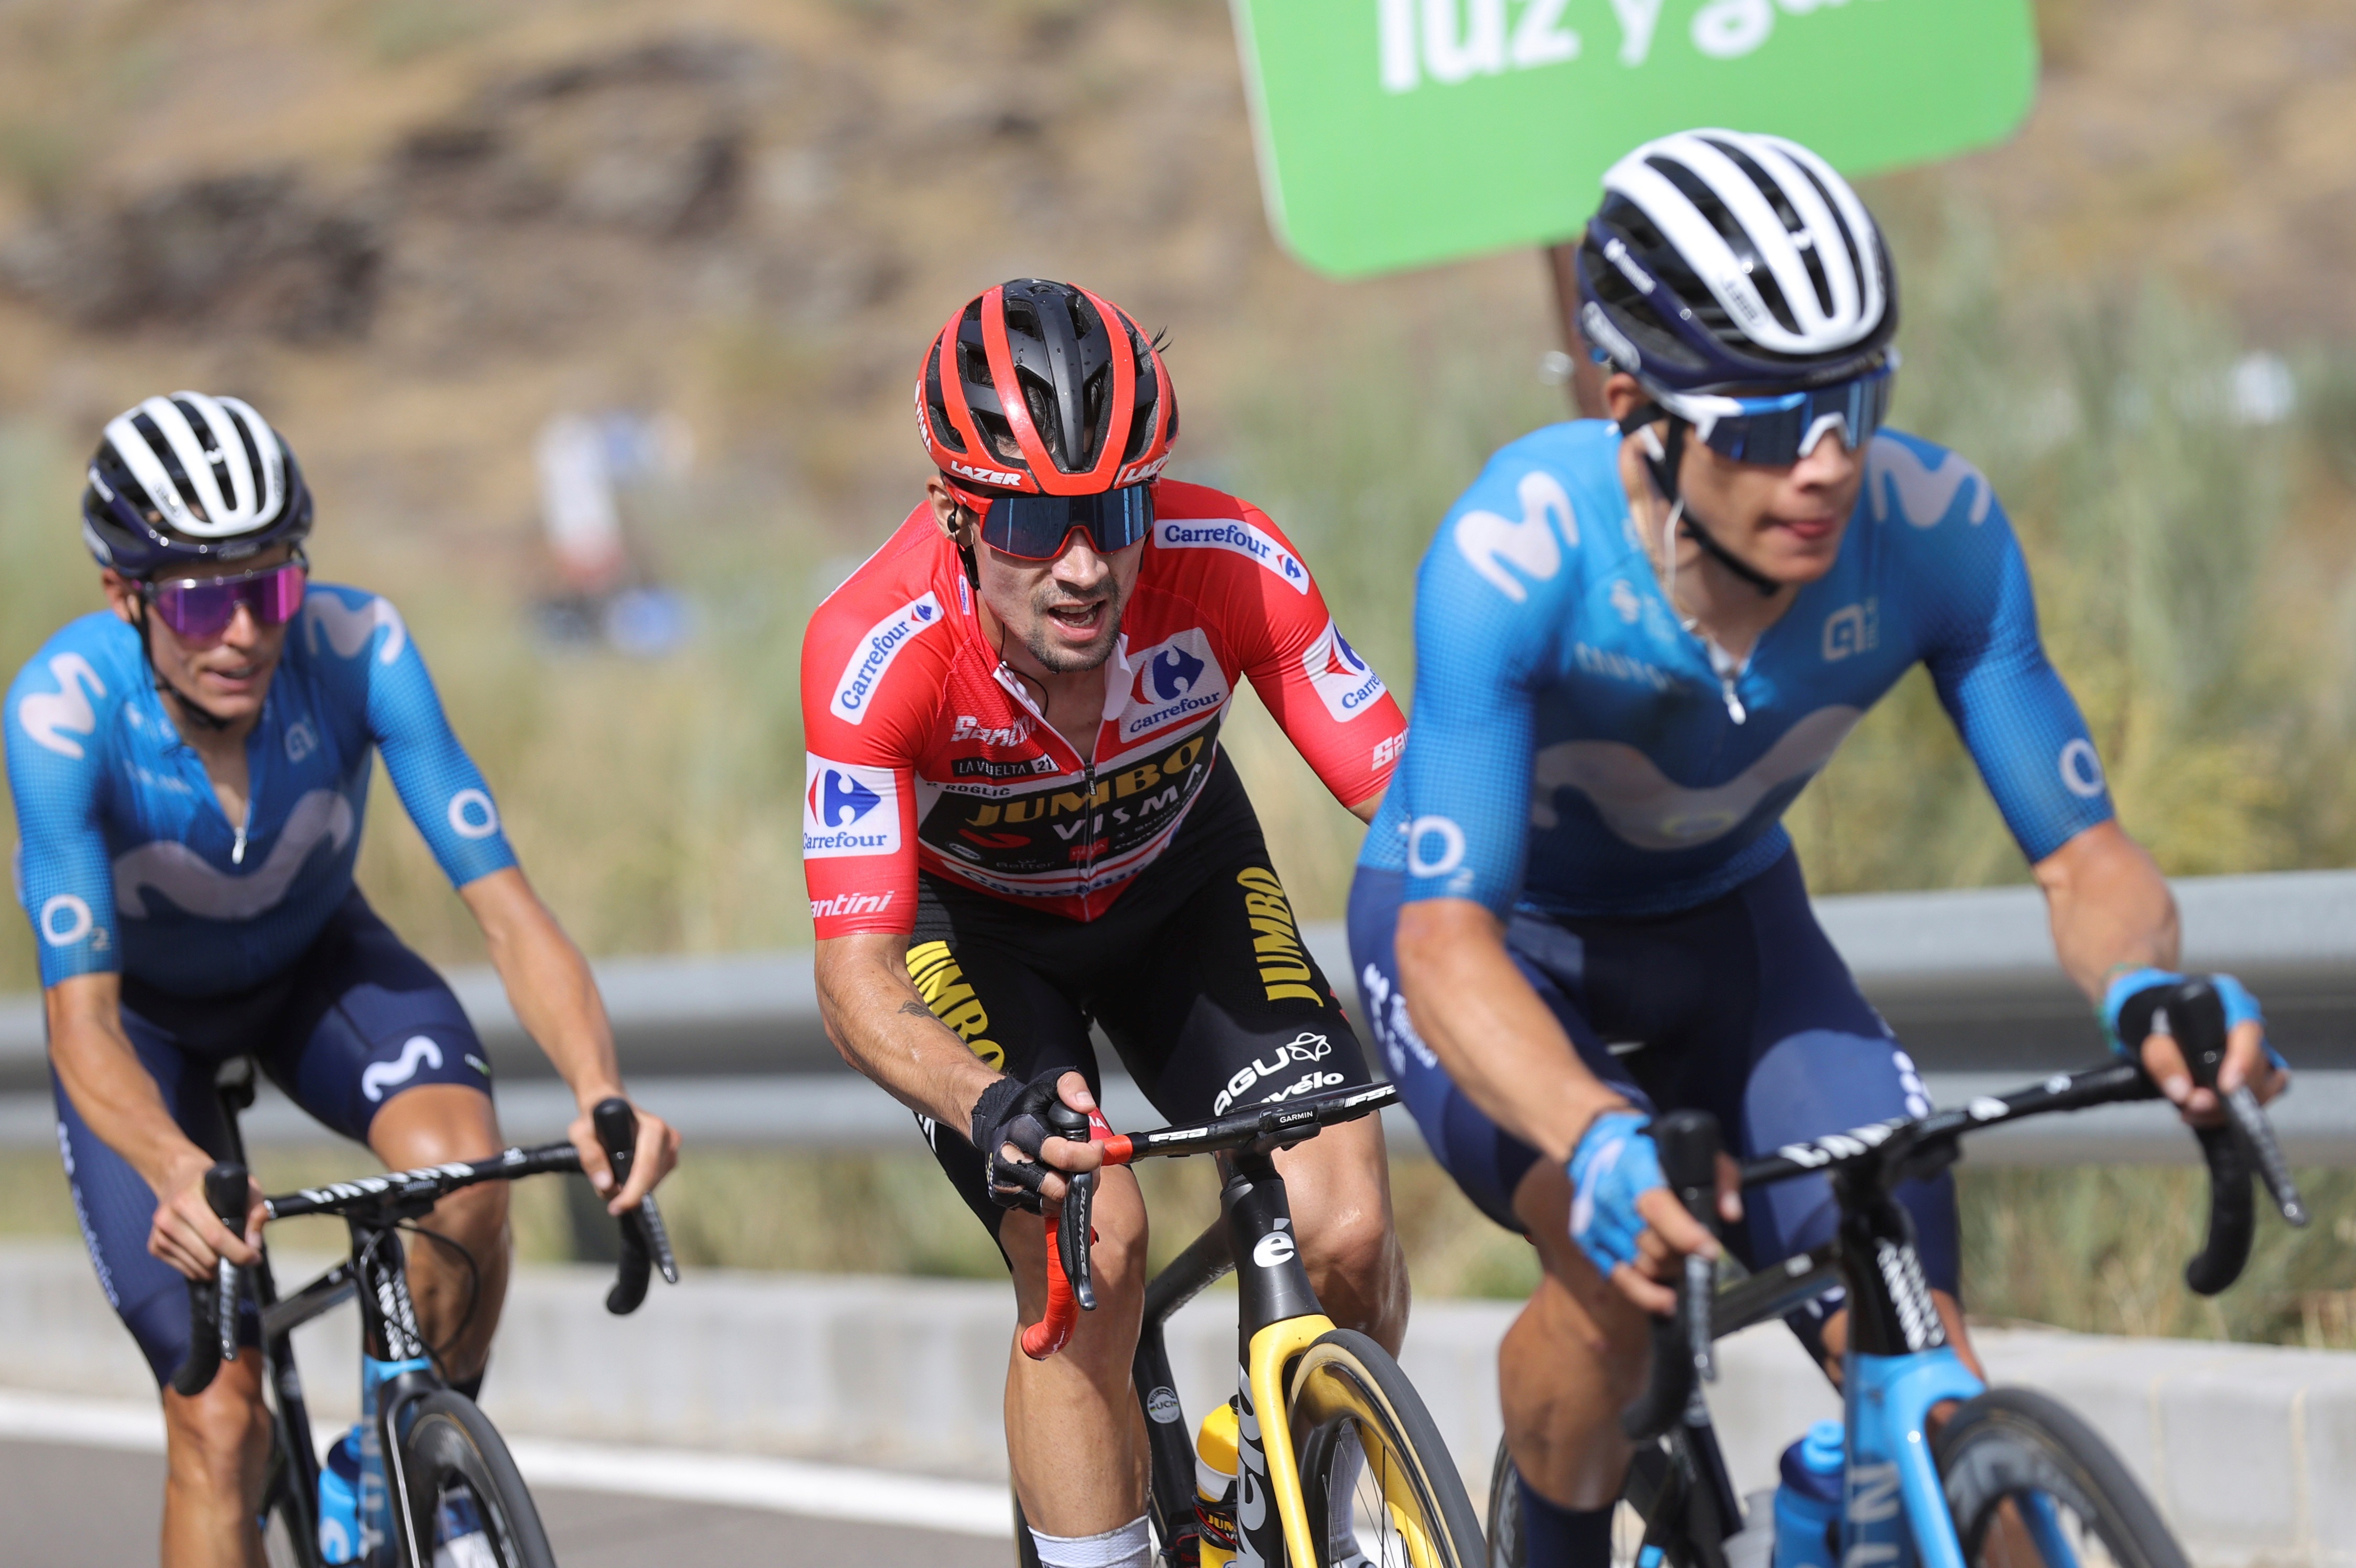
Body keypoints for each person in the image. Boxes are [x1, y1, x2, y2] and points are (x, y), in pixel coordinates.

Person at [1345, 130, 2288, 1564]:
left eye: (1857, 401)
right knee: (1611, 1280)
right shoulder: (1515, 558)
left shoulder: (1934, 531)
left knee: (1931, 1374)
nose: (1829, 464)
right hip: (1503, 951)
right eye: (1770, 425)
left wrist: (2143, 991)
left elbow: (2084, 856)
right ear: (1632, 407)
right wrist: (1595, 1138)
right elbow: (1442, 939)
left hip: (1737, 936)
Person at [5, 391, 680, 1568]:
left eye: (270, 590)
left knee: (463, 1173)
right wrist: (173, 1166)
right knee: (221, 1422)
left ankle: (397, 1467)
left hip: (315, 966)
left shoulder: (361, 645)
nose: (243, 634)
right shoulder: (60, 717)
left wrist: (599, 1089)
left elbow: (509, 912)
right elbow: (82, 1023)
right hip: (146, 1034)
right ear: (125, 595)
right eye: (201, 599)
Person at [803, 279, 1410, 1568]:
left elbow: (1418, 807)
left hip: (1183, 884)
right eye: (1033, 521)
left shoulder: (1230, 560)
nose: (1083, 565)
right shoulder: (875, 649)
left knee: (1347, 1221)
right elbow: (854, 976)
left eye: (1116, 511)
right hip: (979, 936)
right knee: (1091, 1239)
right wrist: (985, 1105)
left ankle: (1286, 1508)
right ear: (956, 511)